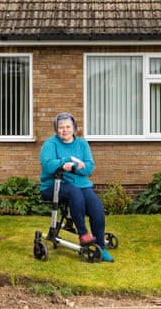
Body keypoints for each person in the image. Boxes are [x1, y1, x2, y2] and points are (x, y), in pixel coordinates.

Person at [40, 112, 114, 262]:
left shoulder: (82, 144)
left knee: (96, 207)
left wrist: (73, 167)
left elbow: (89, 168)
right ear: (56, 129)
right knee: (75, 193)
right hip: (53, 186)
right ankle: (83, 234)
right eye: (61, 127)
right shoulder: (50, 144)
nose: (65, 130)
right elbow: (48, 166)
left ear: (74, 128)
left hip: (80, 185)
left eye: (68, 127)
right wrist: (66, 160)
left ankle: (101, 246)